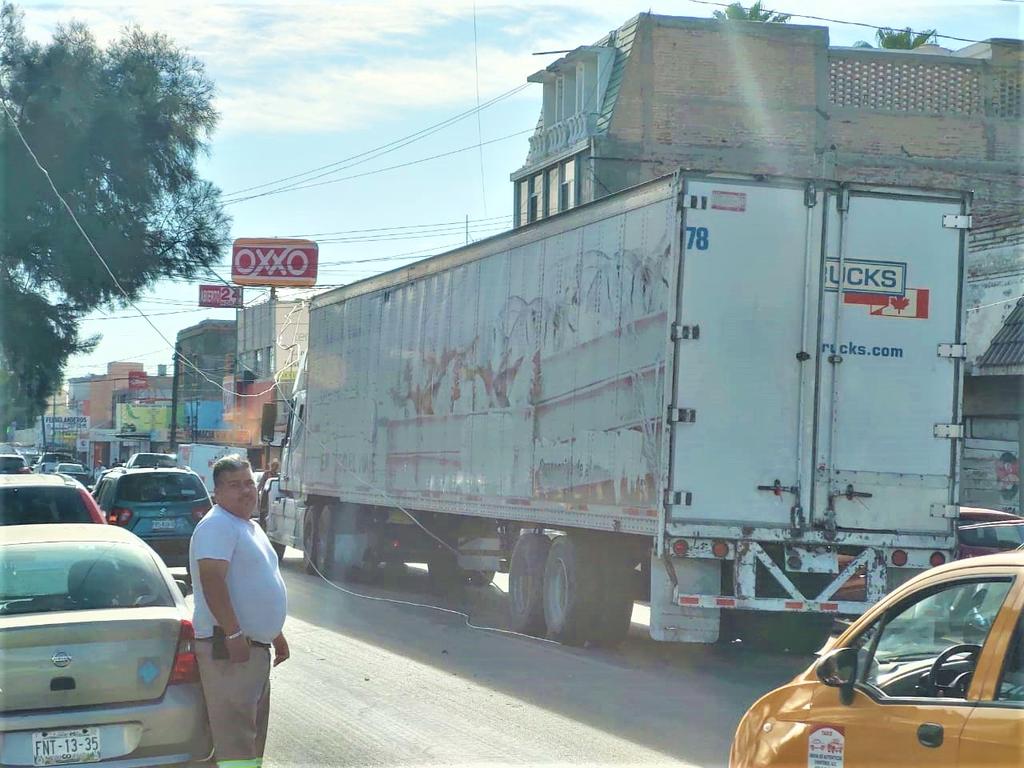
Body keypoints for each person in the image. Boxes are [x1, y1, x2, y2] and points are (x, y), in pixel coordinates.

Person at [189, 454, 289, 768]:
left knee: (250, 735)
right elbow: (212, 580)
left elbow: (252, 585)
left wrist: (276, 633)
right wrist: (233, 633)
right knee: (235, 739)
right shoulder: (218, 524)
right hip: (229, 648)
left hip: (252, 648)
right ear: (216, 492)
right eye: (234, 485)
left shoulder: (247, 526)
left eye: (248, 483)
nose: (246, 491)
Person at [256, 459, 279, 530]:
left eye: (276, 466)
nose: (274, 467)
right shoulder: (266, 474)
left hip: (273, 496)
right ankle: (262, 527)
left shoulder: (277, 475)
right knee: (263, 513)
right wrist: (257, 496)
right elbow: (260, 485)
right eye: (273, 466)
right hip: (265, 496)